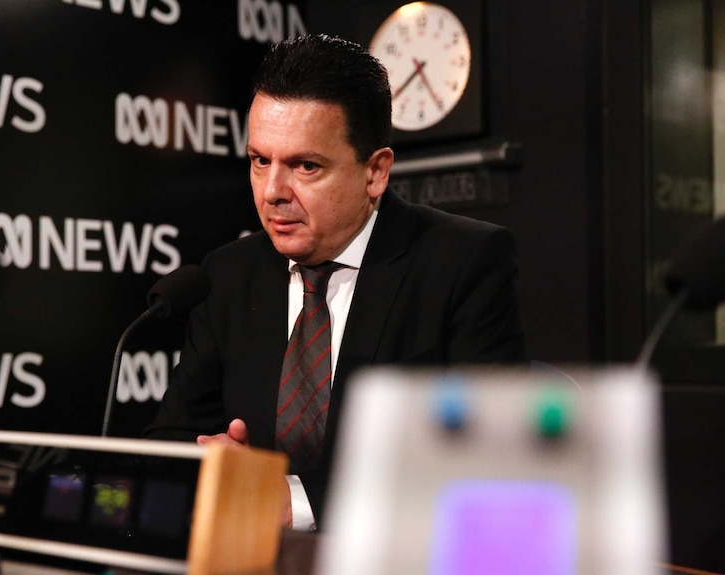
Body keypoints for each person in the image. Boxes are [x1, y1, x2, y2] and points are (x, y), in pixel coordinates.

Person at [143, 34, 526, 530]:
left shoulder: (462, 263)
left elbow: (496, 457)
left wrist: (296, 502)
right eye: (261, 161)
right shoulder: (227, 275)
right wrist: (209, 462)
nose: (274, 192)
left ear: (375, 172)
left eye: (305, 166)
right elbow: (167, 438)